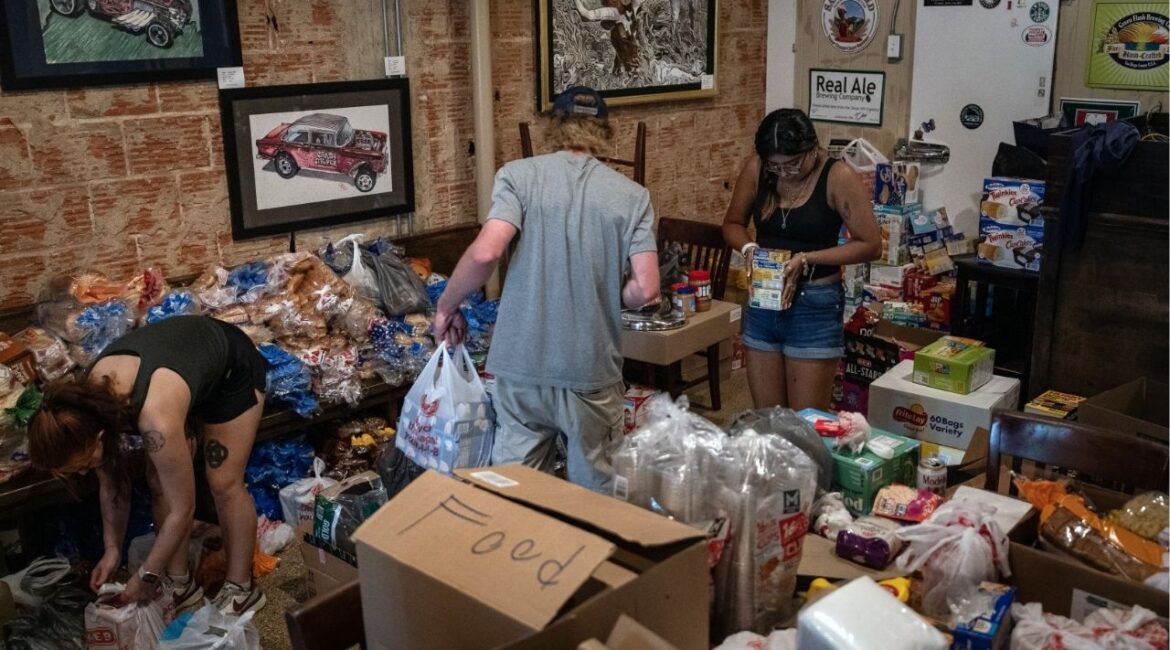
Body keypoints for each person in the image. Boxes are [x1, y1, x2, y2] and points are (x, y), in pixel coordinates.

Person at [432, 86, 659, 494]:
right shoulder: (632, 197)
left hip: (521, 369)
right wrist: (611, 292)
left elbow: (486, 253)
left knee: (514, 495)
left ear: (552, 127)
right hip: (589, 371)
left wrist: (447, 306)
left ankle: (515, 557)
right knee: (598, 501)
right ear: (605, 133)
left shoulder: (517, 177)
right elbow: (645, 289)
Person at [27, 315, 268, 616]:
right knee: (158, 483)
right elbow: (112, 481)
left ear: (100, 438)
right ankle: (179, 583)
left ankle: (241, 588)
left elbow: (184, 508)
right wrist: (112, 550)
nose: (84, 472)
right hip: (183, 370)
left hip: (231, 368)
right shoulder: (85, 412)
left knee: (223, 482)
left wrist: (147, 575)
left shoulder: (155, 421)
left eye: (83, 465)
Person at [722, 108, 881, 411]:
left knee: (805, 423)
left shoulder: (838, 175)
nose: (784, 174)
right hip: (764, 300)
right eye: (775, 167)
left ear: (812, 149)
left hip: (814, 303)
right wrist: (750, 249)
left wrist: (806, 258)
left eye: (792, 164)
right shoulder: (757, 168)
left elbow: (871, 244)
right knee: (769, 420)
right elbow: (732, 224)